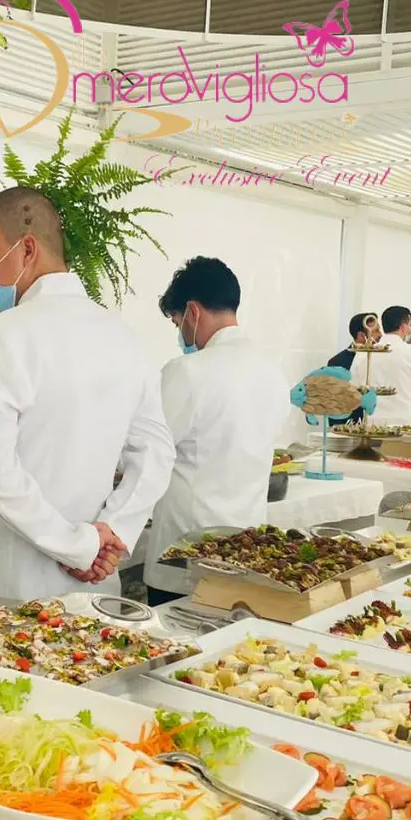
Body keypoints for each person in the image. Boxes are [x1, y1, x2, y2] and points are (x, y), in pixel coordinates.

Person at [0, 186, 176, 602]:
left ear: (26, 248)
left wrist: (80, 547)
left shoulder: (4, 334)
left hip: (10, 589)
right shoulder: (123, 337)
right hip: (94, 584)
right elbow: (156, 453)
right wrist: (113, 532)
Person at [144, 258, 290, 606]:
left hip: (187, 551)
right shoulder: (272, 372)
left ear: (192, 312)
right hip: (247, 546)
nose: (180, 332)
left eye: (177, 321)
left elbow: (146, 450)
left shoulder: (188, 371)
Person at [327, 313, 380, 426]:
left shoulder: (380, 359)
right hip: (350, 426)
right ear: (361, 336)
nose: (381, 335)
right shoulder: (338, 362)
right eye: (376, 331)